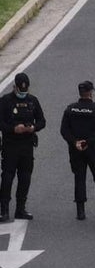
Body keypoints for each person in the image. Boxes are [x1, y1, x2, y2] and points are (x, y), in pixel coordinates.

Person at [60, 80, 95, 221]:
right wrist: (87, 142)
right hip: (93, 149)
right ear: (90, 93)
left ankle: (80, 212)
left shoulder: (70, 109)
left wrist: (75, 142)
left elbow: (64, 130)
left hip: (75, 149)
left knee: (79, 178)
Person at [0, 72, 46, 222]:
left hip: (27, 145)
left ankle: (21, 208)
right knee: (7, 177)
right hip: (10, 145)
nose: (23, 93)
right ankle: (4, 210)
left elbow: (42, 121)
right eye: (20, 90)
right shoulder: (5, 101)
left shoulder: (33, 101)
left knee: (25, 177)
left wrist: (33, 128)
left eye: (25, 91)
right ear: (14, 87)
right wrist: (14, 129)